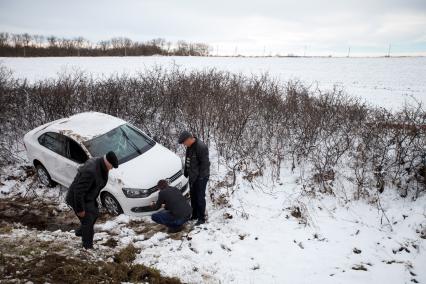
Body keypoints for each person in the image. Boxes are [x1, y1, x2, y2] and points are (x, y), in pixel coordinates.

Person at [66, 151, 118, 249]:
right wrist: (80, 209)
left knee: (94, 213)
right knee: (88, 222)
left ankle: (80, 232)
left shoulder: (101, 165)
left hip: (88, 197)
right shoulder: (91, 171)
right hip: (77, 198)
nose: (111, 169)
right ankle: (87, 247)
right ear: (107, 162)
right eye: (111, 166)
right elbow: (78, 191)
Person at [178, 131, 210, 225]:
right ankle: (195, 214)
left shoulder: (201, 147)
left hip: (201, 177)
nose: (184, 145)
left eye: (184, 142)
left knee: (200, 197)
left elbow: (205, 164)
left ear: (189, 139)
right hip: (193, 176)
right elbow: (188, 159)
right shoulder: (189, 146)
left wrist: (200, 178)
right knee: (193, 196)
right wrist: (186, 172)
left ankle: (201, 218)